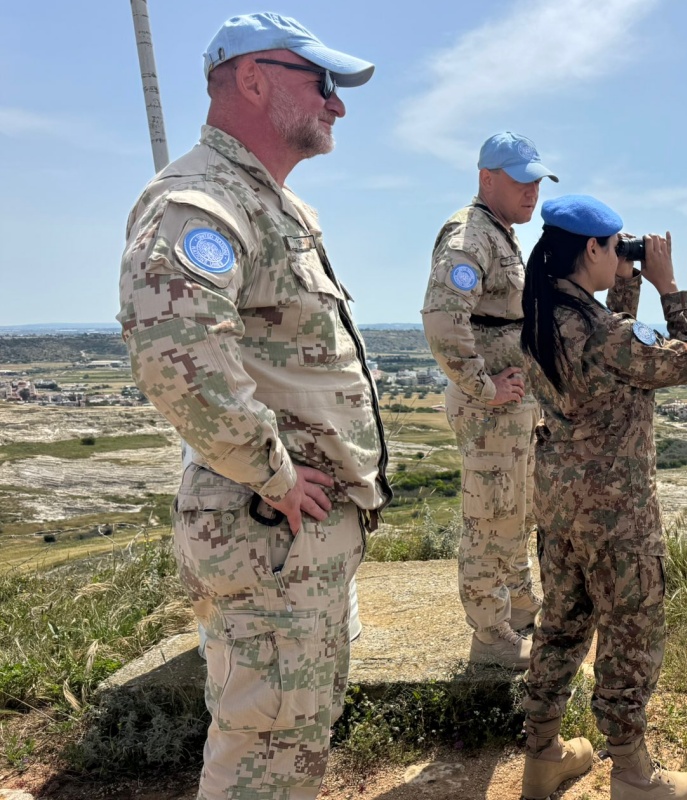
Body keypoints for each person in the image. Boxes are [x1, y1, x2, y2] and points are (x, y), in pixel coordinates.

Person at [116, 12, 390, 799]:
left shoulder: (278, 206)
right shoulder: (198, 201)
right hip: (267, 528)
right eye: (324, 82)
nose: (338, 104)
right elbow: (178, 358)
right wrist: (274, 475)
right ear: (253, 78)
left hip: (294, 536)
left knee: (292, 739)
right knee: (264, 752)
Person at [519, 195, 687, 800]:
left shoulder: (542, 317)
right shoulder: (605, 335)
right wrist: (669, 287)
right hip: (618, 519)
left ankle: (543, 755)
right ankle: (633, 776)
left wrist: (624, 285)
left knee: (561, 627)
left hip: (560, 511)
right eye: (615, 246)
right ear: (592, 249)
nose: (623, 254)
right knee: (630, 640)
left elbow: (609, 349)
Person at [421, 132, 556, 670]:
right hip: (489, 411)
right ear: (487, 179)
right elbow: (440, 318)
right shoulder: (469, 237)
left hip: (512, 409)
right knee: (488, 517)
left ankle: (519, 605)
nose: (532, 191)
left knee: (515, 510)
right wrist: (483, 385)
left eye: (537, 181)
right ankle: (490, 633)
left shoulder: (500, 234)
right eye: (521, 180)